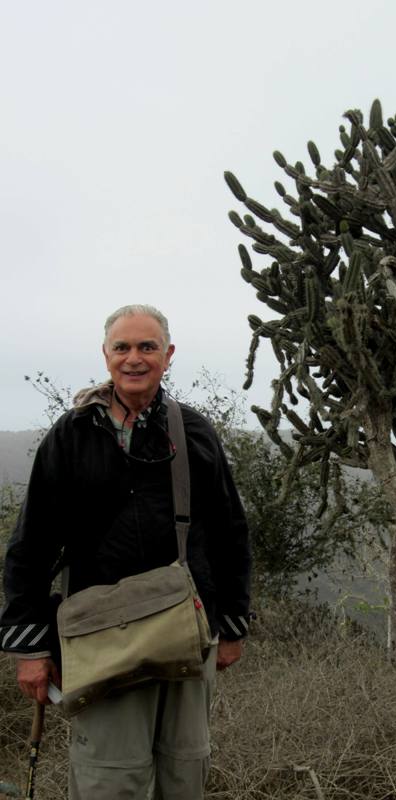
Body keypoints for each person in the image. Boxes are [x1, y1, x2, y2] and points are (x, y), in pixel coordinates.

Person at [0, 304, 251, 799]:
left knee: (184, 772)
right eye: (123, 347)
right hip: (100, 637)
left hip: (187, 630)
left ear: (168, 355)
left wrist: (232, 625)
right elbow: (32, 543)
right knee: (108, 778)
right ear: (106, 355)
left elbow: (229, 531)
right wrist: (31, 648)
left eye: (147, 347)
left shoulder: (193, 432)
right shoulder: (71, 435)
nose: (134, 358)